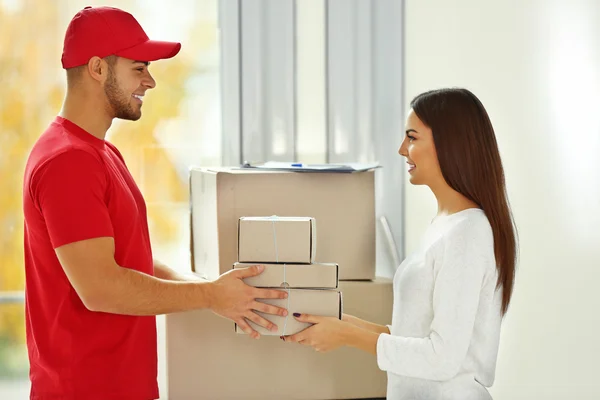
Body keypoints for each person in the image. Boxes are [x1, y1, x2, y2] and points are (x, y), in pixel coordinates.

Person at [22, 6, 287, 400]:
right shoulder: (68, 162)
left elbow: (131, 263)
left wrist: (211, 290)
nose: (150, 81)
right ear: (97, 68)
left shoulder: (101, 153)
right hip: (85, 390)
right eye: (138, 68)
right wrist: (210, 295)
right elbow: (102, 289)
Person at [283, 88, 518, 400]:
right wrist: (344, 324)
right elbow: (418, 338)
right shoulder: (445, 226)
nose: (401, 149)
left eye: (412, 137)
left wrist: (348, 336)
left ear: (450, 143)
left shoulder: (468, 233)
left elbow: (441, 358)